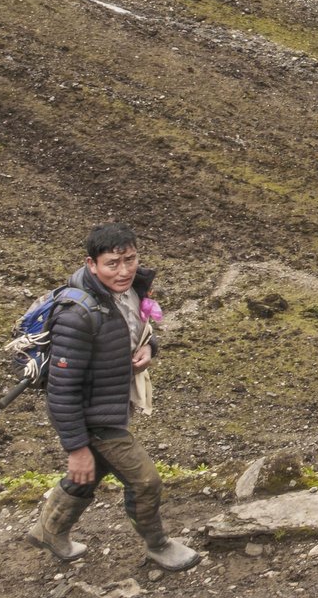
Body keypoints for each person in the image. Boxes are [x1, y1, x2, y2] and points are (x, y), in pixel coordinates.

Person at [28, 222, 198, 570]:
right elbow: (61, 389)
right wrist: (75, 448)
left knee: (91, 473)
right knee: (145, 481)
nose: (124, 271)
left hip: (112, 401)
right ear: (91, 264)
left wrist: (150, 348)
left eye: (130, 260)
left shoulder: (129, 292)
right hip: (95, 416)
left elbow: (135, 333)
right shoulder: (77, 315)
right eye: (112, 264)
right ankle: (158, 545)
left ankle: (49, 530)